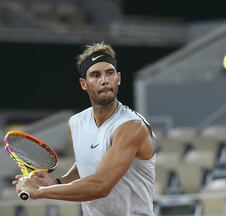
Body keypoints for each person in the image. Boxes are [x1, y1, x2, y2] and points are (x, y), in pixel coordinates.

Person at [13, 42, 159, 216]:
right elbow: (87, 164)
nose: (104, 80)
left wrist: (39, 192)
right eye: (96, 75)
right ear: (84, 83)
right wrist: (57, 182)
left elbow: (101, 186)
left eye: (109, 73)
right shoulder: (76, 123)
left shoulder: (132, 127)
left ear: (118, 78)